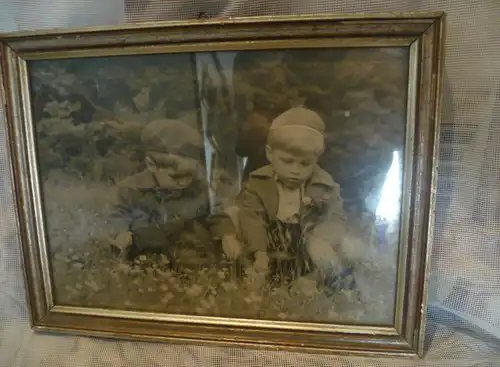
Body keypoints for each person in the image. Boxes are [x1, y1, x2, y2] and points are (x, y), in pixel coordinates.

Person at [212, 107, 351, 285]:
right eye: (287, 161)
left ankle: (314, 280)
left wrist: (321, 238)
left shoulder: (325, 186)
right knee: (235, 217)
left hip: (305, 240)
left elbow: (336, 218)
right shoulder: (258, 183)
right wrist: (259, 252)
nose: (295, 170)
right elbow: (251, 217)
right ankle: (252, 276)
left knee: (338, 249)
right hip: (268, 238)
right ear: (270, 154)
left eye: (305, 164)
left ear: (316, 159)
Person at [108, 118, 213, 263]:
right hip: (143, 265)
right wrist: (122, 233)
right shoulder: (129, 190)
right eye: (176, 175)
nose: (183, 182)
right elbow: (115, 220)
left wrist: (227, 233)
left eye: (189, 175)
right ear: (152, 165)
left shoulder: (199, 189)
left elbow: (215, 214)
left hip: (190, 266)